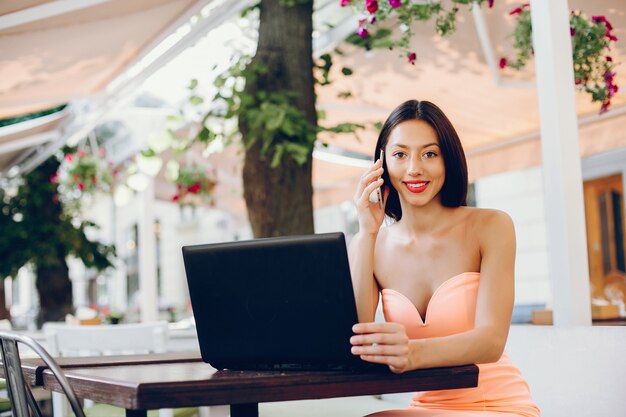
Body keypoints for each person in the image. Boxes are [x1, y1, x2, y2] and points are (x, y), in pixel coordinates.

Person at [348, 100, 540, 417]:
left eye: (429, 154)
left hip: (502, 406)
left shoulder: (491, 226)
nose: (414, 168)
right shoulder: (368, 243)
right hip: (426, 407)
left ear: (447, 160)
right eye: (399, 154)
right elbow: (355, 337)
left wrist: (412, 352)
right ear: (380, 165)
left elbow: (490, 341)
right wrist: (367, 233)